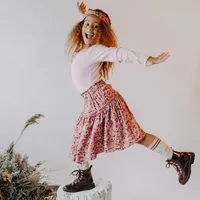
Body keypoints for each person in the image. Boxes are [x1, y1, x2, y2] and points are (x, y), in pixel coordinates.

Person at [63, 2, 195, 193]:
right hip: (93, 101)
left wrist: (148, 60)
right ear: (81, 26)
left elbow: (119, 53)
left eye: (95, 26)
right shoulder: (82, 48)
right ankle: (85, 177)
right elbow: (84, 28)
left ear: (101, 32)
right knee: (81, 137)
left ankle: (178, 157)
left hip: (104, 101)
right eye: (87, 24)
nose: (90, 29)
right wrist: (82, 16)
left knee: (135, 136)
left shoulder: (96, 50)